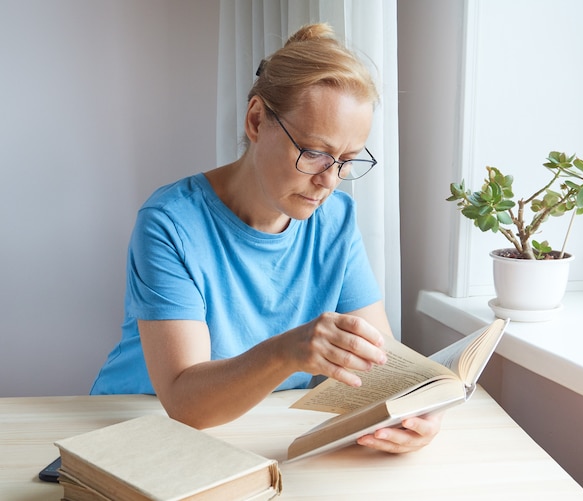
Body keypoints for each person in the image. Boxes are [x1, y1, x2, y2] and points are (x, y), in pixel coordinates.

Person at [91, 23, 441, 455]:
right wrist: (287, 351)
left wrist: (412, 409)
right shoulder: (170, 223)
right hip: (135, 426)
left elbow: (377, 362)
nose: (329, 181)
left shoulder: (335, 219)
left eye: (347, 161)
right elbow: (184, 404)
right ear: (256, 120)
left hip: (259, 429)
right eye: (313, 152)